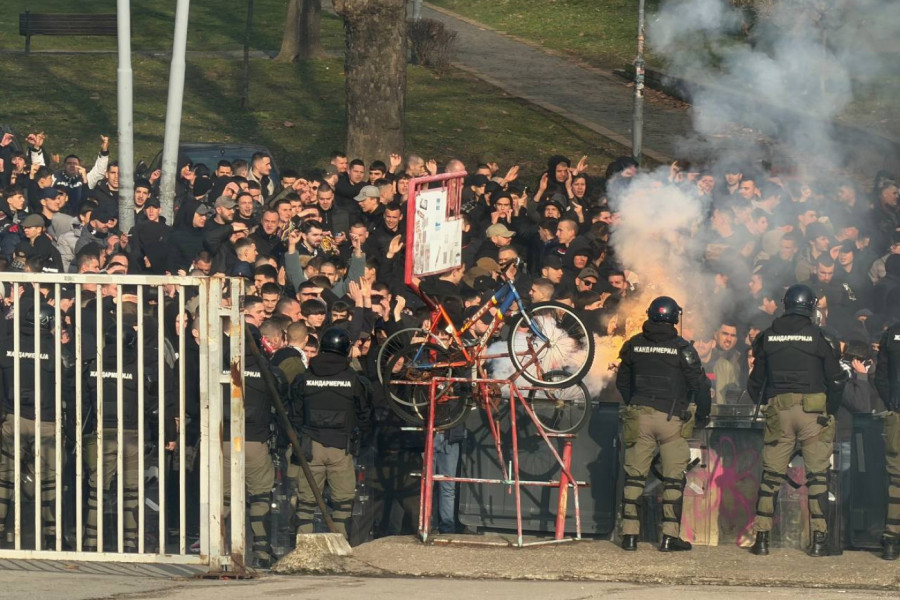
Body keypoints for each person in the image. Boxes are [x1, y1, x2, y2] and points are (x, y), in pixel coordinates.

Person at [746, 284, 848, 557]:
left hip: (779, 411)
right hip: (814, 413)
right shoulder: (820, 337)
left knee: (770, 478)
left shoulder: (768, 336)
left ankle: (762, 539)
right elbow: (836, 379)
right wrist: (831, 410)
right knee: (817, 478)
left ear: (785, 304)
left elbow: (755, 382)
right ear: (811, 307)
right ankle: (818, 542)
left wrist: (770, 403)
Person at [616, 296, 711, 552]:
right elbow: (700, 385)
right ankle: (669, 537)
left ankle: (629, 536)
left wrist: (635, 404)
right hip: (671, 419)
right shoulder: (682, 349)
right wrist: (702, 415)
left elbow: (622, 382)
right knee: (673, 480)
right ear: (675, 318)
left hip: (640, 416)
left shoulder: (633, 345)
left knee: (634, 477)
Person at [289, 327, 371, 538]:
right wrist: (364, 442)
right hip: (341, 448)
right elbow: (365, 414)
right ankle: (340, 547)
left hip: (310, 448)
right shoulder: (354, 380)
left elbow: (295, 415)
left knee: (306, 503)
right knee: (343, 503)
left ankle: (303, 547)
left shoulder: (304, 378)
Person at [874, 320, 900, 560]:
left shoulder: (891, 333)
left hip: (898, 414)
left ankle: (891, 540)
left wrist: (892, 401)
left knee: (897, 480)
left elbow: (880, 377)